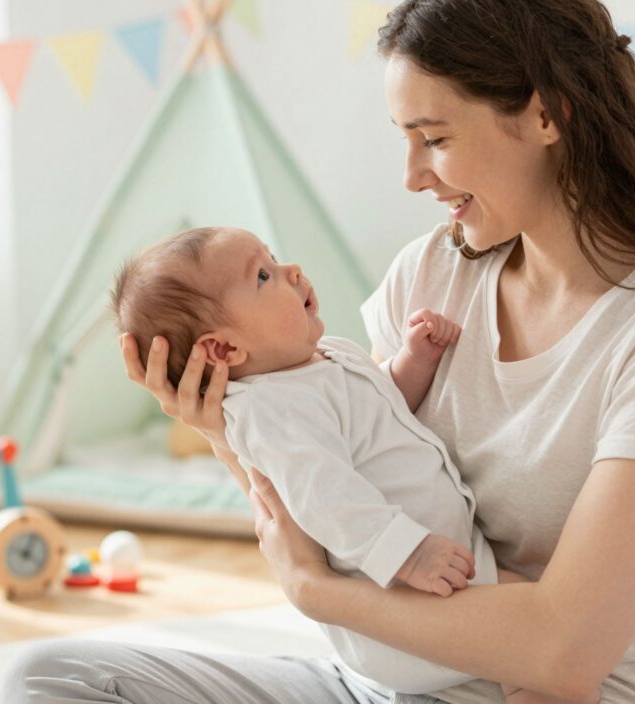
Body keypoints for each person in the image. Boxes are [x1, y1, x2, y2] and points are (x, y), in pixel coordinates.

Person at [0, 0, 635, 703]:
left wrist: (316, 595)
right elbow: (335, 469)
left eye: (435, 140)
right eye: (406, 141)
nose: (413, 177)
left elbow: (567, 655)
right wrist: (223, 425)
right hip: (394, 681)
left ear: (546, 114)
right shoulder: (435, 272)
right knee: (56, 680)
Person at [106, 225, 579, 703]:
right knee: (538, 642)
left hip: (448, 568)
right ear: (225, 349)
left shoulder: (325, 359)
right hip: (402, 602)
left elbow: (384, 409)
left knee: (547, 635)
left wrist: (414, 360)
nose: (291, 271)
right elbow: (326, 499)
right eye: (264, 276)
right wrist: (407, 553)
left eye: (275, 257)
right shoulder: (267, 410)